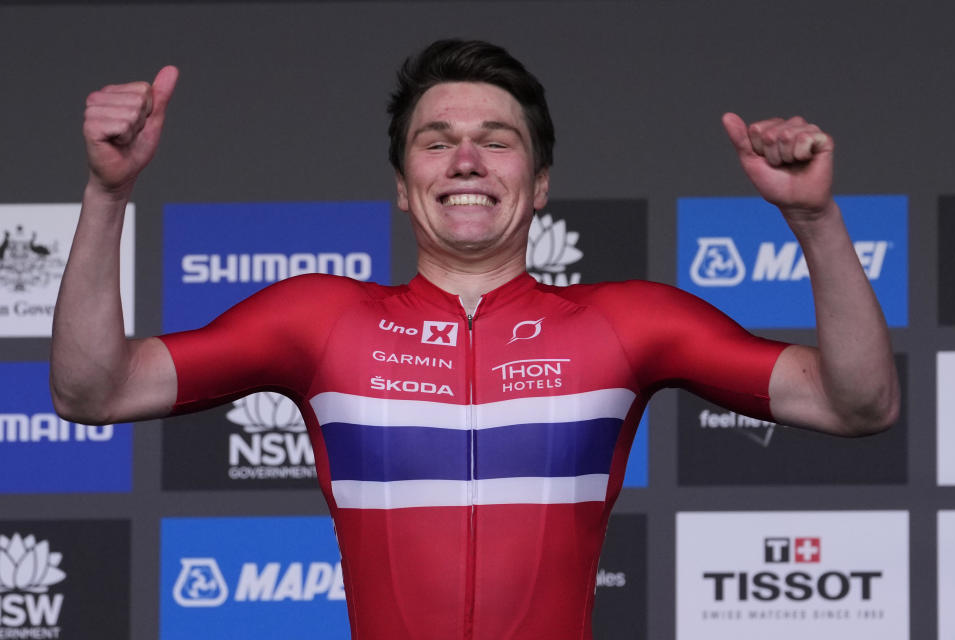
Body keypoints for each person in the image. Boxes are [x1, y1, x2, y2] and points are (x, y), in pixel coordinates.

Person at [51, 39, 898, 640]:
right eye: (436, 141)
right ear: (401, 184)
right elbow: (93, 391)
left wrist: (815, 220)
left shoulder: (627, 323)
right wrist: (106, 194)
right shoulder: (316, 320)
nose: (466, 160)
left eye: (497, 143)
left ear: (537, 188)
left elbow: (857, 401)